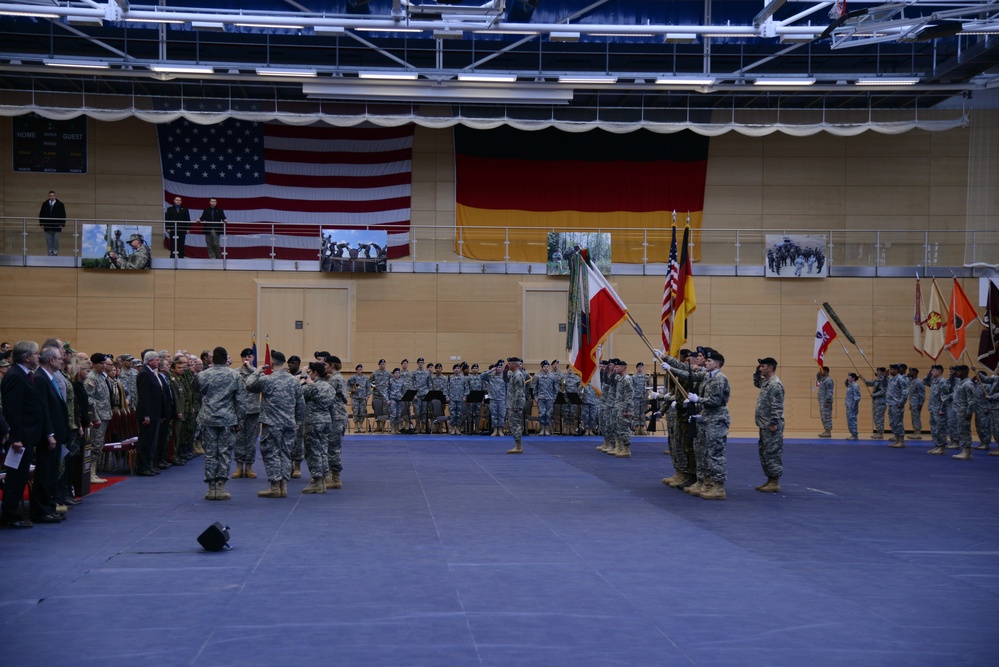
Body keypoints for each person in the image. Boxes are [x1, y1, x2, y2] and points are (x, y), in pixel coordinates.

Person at [1, 341, 53, 528]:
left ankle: (13, 513)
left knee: (20, 476)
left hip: (28, 435)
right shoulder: (15, 376)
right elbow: (12, 410)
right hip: (20, 437)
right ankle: (10, 515)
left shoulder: (24, 374)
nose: (38, 356)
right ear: (26, 357)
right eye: (35, 354)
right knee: (16, 477)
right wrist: (15, 438)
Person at [245, 351, 305, 498]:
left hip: (271, 423)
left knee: (271, 453)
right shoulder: (293, 381)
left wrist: (257, 371)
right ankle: (283, 485)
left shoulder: (267, 379)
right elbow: (301, 404)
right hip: (289, 424)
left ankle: (274, 486)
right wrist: (298, 421)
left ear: (272, 362)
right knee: (285, 453)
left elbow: (249, 385)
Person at [197, 347, 244, 500]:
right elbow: (240, 401)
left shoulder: (203, 375)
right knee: (224, 453)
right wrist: (240, 420)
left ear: (213, 359)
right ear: (225, 359)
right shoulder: (235, 375)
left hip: (208, 418)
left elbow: (197, 391)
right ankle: (221, 487)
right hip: (227, 419)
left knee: (210, 453)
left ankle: (211, 488)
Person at [33, 345, 69, 523]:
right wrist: (49, 434)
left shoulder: (50, 377)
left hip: (56, 434)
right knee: (45, 474)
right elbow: (44, 410)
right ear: (51, 360)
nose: (63, 360)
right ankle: (41, 509)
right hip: (48, 436)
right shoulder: (40, 378)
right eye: (59, 358)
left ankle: (48, 505)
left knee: (51, 473)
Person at [754, 357, 784, 493]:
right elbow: (756, 383)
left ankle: (775, 481)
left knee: (772, 452)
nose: (761, 368)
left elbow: (777, 406)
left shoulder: (775, 384)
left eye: (763, 366)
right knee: (765, 452)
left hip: (771, 425)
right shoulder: (767, 382)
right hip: (764, 424)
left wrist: (774, 422)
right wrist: (756, 372)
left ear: (770, 368)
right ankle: (770, 479)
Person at [135, 350, 164, 476]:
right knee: (145, 441)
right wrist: (145, 414)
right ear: (150, 360)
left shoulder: (152, 373)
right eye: (157, 359)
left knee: (152, 441)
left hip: (155, 413)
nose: (159, 361)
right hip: (148, 414)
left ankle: (149, 465)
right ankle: (142, 467)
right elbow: (144, 396)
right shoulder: (145, 374)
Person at [84, 353, 112, 484]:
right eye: (101, 363)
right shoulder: (91, 378)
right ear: (94, 364)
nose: (103, 366)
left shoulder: (101, 377)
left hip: (104, 415)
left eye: (104, 363)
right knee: (95, 445)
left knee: (99, 445)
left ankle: (93, 472)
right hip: (98, 417)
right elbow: (90, 400)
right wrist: (95, 417)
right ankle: (90, 474)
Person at [322, 355, 348, 490]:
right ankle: (332, 476)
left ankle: (335, 478)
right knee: (333, 448)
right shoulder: (339, 378)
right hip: (338, 416)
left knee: (333, 449)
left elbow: (323, 393)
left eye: (326, 365)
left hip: (336, 417)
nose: (324, 367)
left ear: (331, 365)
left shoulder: (335, 379)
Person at [951, 365, 975, 460]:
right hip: (959, 411)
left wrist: (969, 413)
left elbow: (971, 401)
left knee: (965, 431)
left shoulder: (968, 384)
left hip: (964, 412)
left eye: (959, 371)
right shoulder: (960, 383)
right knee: (961, 430)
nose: (957, 373)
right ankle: (964, 450)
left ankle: (967, 452)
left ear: (965, 372)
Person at [505, 357, 526, 454]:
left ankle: (519, 446)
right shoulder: (514, 375)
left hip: (515, 405)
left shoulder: (518, 375)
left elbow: (519, 392)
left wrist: (516, 405)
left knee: (515, 425)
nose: (508, 365)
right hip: (512, 403)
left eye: (510, 363)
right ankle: (517, 445)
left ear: (515, 364)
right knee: (513, 425)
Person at [926, 365, 950, 455]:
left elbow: (945, 397)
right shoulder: (934, 381)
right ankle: (937, 445)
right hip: (933, 409)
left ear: (940, 371)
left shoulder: (943, 382)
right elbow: (926, 382)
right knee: (934, 428)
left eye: (934, 370)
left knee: (940, 429)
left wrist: (942, 409)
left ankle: (942, 447)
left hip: (940, 410)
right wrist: (928, 374)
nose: (932, 371)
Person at [530, 360, 558, 436]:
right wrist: (535, 397)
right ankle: (542, 429)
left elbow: (556, 388)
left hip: (549, 398)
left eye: (547, 366)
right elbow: (534, 388)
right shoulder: (537, 376)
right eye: (544, 367)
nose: (546, 368)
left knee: (548, 414)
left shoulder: (552, 376)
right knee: (542, 413)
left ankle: (547, 429)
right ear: (542, 367)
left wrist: (554, 398)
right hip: (541, 398)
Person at [886, 364, 910, 448]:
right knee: (893, 423)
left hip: (897, 404)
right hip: (891, 404)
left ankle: (901, 441)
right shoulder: (892, 379)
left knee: (898, 423)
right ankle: (896, 440)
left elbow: (905, 391)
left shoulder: (900, 379)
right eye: (890, 369)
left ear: (896, 370)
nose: (890, 371)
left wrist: (901, 402)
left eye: (892, 369)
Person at [38, 190, 66, 256]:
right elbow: (41, 214)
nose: (52, 197)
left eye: (53, 195)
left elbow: (63, 214)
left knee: (56, 239)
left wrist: (62, 224)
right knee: (49, 239)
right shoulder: (45, 204)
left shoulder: (60, 204)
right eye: (51, 196)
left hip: (57, 225)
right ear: (49, 196)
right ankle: (50, 251)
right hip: (47, 225)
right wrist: (41, 223)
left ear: (55, 196)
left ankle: (55, 251)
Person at [864, 367, 888, 438]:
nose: (877, 373)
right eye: (877, 371)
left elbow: (883, 391)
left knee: (879, 418)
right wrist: (863, 378)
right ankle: (878, 431)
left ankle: (880, 433)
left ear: (883, 372)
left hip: (881, 402)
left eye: (879, 371)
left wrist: (874, 395)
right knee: (875, 417)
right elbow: (869, 383)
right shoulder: (877, 380)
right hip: (876, 402)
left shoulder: (884, 380)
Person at [347, 364, 371, 432]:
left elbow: (368, 388)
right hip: (355, 397)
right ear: (356, 370)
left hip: (363, 398)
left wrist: (368, 396)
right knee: (355, 411)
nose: (360, 370)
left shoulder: (365, 378)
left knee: (362, 412)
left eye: (361, 369)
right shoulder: (353, 378)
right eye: (358, 369)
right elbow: (347, 385)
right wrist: (352, 390)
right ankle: (356, 426)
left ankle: (361, 426)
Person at [907, 367, 925, 439]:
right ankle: (915, 431)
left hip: (917, 403)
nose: (909, 373)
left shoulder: (918, 382)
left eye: (911, 372)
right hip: (912, 403)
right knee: (913, 418)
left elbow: (922, 395)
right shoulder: (911, 381)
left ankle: (918, 432)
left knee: (916, 417)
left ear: (915, 373)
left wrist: (920, 404)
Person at [816, 366, 834, 437]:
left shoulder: (828, 380)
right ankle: (826, 430)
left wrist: (827, 401)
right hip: (823, 402)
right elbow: (818, 378)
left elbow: (830, 392)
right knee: (823, 416)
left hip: (826, 402)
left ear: (826, 371)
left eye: (822, 371)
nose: (821, 372)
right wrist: (819, 372)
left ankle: (828, 431)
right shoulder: (824, 380)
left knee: (827, 416)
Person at [845, 373, 861, 440]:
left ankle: (855, 435)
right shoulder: (850, 385)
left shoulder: (855, 386)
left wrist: (854, 406)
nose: (848, 378)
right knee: (849, 421)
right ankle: (852, 434)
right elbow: (846, 383)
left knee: (853, 420)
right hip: (849, 406)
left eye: (849, 377)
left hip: (852, 407)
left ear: (853, 378)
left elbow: (857, 397)